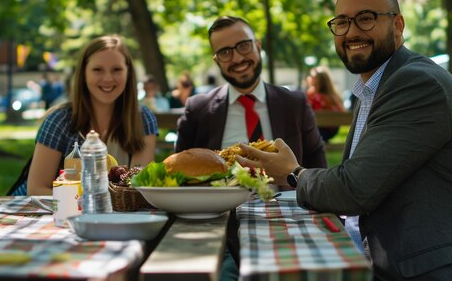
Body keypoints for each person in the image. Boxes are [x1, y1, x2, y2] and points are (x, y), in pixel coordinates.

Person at [236, 0, 452, 280]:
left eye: (366, 18)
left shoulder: (417, 83)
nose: (351, 33)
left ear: (398, 24)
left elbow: (354, 189)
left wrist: (293, 173)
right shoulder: (374, 87)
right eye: (342, 22)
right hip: (380, 259)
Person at [175, 15, 327, 281]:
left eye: (243, 46)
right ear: (216, 60)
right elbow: (177, 178)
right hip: (221, 227)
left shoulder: (294, 103)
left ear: (257, 45)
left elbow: (318, 170)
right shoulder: (198, 109)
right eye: (224, 52)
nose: (236, 58)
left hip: (286, 225)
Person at [21, 35, 158, 196]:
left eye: (117, 69)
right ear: (84, 74)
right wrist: (89, 205)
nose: (108, 78)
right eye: (97, 69)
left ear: (128, 73)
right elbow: (37, 189)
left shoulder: (142, 119)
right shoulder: (59, 120)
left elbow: (137, 188)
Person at [305, 65, 346, 142]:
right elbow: (343, 113)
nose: (309, 78)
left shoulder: (313, 95)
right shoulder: (333, 96)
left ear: (319, 80)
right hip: (332, 131)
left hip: (319, 130)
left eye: (312, 76)